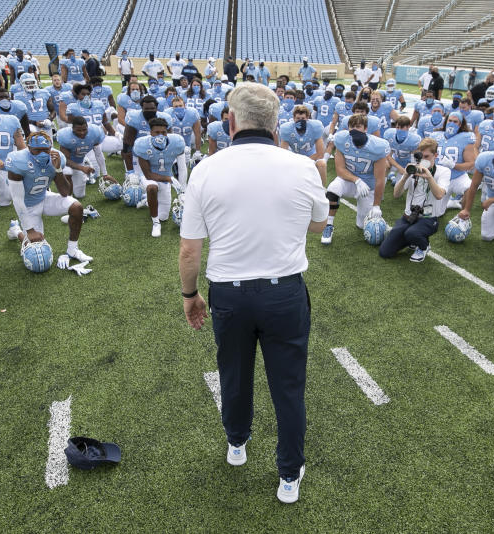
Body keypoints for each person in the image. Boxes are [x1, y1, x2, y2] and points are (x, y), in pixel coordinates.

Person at [178, 82, 326, 504]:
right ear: (277, 125)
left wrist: (190, 296)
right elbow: (318, 224)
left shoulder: (207, 167)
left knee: (234, 374)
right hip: (285, 293)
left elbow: (190, 248)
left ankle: (237, 443)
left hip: (230, 294)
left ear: (231, 121)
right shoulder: (301, 166)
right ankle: (288, 474)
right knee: (288, 385)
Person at [5, 131, 92, 263]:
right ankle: (17, 231)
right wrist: (30, 230)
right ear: (29, 148)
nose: (42, 154)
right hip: (27, 205)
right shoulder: (18, 160)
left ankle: (73, 249)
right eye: (37, 150)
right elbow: (17, 199)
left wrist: (58, 170)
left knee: (77, 207)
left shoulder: (58, 158)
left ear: (50, 147)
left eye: (45, 150)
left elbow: (65, 193)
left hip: (43, 196)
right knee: (37, 254)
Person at [321, 114, 389, 244]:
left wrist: (376, 205)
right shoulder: (342, 139)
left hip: (368, 187)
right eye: (352, 126)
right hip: (349, 181)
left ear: (365, 129)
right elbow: (340, 170)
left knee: (362, 225)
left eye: (358, 126)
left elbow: (380, 179)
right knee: (333, 188)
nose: (354, 129)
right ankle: (328, 225)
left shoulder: (378, 146)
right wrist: (357, 180)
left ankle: (367, 213)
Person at [379, 138, 449, 261]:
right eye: (421, 157)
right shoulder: (412, 171)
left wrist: (429, 177)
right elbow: (396, 194)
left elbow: (439, 195)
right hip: (408, 217)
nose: (423, 160)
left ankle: (423, 246)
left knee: (412, 233)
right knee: (385, 252)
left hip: (428, 218)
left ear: (436, 155)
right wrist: (406, 175)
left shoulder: (443, 171)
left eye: (427, 156)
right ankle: (411, 239)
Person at [133, 117, 186, 237]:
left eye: (163, 132)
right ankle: (156, 223)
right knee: (152, 188)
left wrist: (183, 190)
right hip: (150, 178)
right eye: (157, 132)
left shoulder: (177, 142)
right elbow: (148, 174)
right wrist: (170, 179)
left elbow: (182, 168)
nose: (160, 135)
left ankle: (148, 201)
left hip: (166, 178)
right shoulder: (143, 145)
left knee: (164, 217)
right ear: (150, 133)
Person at [279, 105, 326, 185]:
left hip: (311, 156)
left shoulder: (315, 126)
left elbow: (320, 154)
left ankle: (322, 189)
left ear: (307, 117)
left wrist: (304, 161)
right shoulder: (286, 129)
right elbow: (283, 153)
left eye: (303, 118)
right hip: (295, 156)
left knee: (322, 163)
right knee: (282, 165)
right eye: (298, 118)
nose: (300, 121)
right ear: (293, 118)